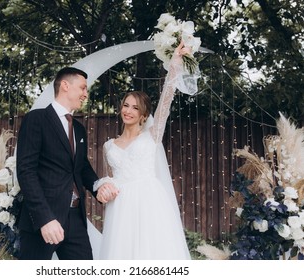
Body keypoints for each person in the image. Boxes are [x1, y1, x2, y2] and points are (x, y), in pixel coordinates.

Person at [94, 45, 192, 259]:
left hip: (149, 201)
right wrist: (103, 184)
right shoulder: (109, 145)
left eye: (135, 108)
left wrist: (174, 65)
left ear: (144, 115)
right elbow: (106, 177)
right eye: (126, 105)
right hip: (121, 207)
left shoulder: (152, 136)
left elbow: (166, 100)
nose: (128, 111)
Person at [16, 66, 116, 260]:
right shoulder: (36, 119)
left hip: (75, 219)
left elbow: (81, 168)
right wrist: (44, 219)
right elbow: (26, 172)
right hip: (43, 220)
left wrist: (99, 187)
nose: (85, 94)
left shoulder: (78, 128)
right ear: (65, 86)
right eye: (83, 88)